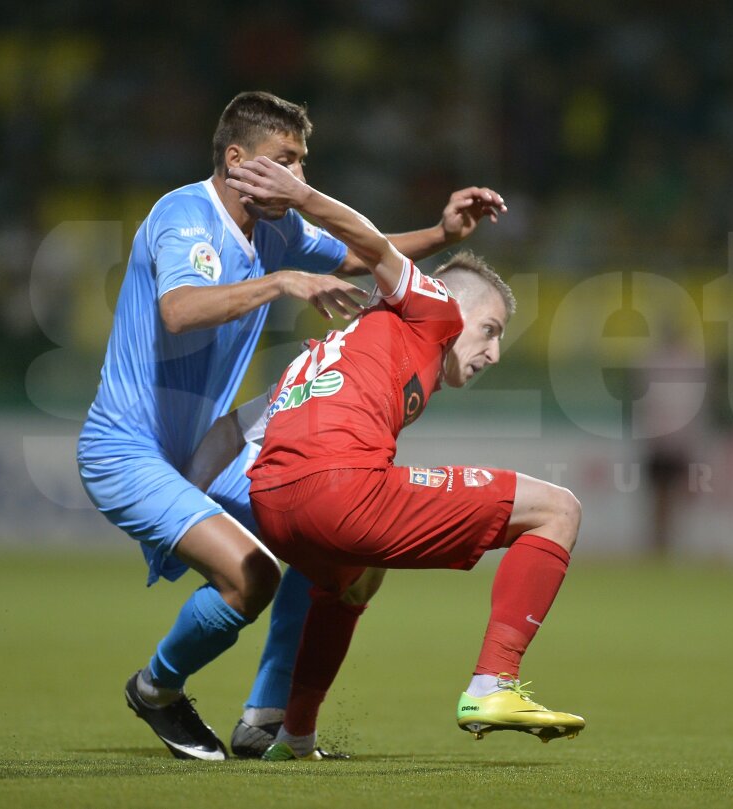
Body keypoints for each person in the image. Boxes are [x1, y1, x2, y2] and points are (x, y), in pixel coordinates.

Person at [77, 90, 507, 761]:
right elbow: (181, 310)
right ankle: (156, 688)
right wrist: (283, 282)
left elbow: (360, 254)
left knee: (324, 538)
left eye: (302, 165)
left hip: (208, 448)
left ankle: (266, 717)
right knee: (253, 577)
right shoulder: (184, 214)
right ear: (236, 158)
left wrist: (442, 235)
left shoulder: (276, 225)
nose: (297, 179)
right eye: (286, 162)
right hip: (126, 450)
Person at [224, 156, 586, 761]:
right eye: (491, 330)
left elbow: (245, 430)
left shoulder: (349, 343)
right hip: (337, 490)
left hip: (276, 505)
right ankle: (493, 685)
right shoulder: (432, 308)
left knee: (356, 578)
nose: (493, 352)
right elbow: (370, 242)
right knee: (558, 510)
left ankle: (296, 736)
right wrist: (301, 193)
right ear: (456, 306)